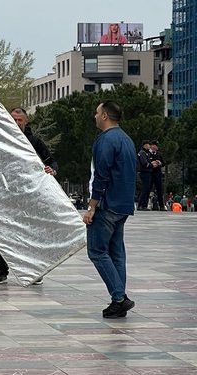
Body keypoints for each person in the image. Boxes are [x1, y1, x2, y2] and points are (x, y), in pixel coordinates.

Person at [0, 107, 58, 285]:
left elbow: (51, 161)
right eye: (13, 119)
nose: (16, 123)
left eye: (19, 120)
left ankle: (35, 270)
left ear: (25, 121)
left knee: (30, 233)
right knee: (3, 232)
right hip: (6, 195)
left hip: (29, 195)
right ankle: (2, 270)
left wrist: (53, 170)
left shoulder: (34, 142)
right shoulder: (0, 141)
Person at [83, 101, 137, 319]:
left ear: (105, 115)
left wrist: (92, 207)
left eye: (96, 113)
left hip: (107, 205)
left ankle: (119, 298)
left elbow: (101, 176)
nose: (94, 116)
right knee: (116, 253)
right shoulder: (126, 139)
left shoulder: (105, 141)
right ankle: (119, 300)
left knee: (96, 251)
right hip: (123, 205)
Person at [136, 140, 153, 211]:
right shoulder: (142, 153)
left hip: (147, 172)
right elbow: (145, 163)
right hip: (144, 172)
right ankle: (141, 205)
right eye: (148, 145)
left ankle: (144, 205)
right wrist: (152, 165)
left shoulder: (147, 153)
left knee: (147, 189)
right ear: (145, 145)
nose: (149, 146)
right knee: (144, 189)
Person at [149, 141, 165, 210]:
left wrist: (160, 163)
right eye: (154, 145)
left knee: (159, 189)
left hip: (158, 173)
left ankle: (161, 206)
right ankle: (144, 205)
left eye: (157, 146)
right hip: (150, 173)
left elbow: (163, 163)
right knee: (147, 189)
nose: (156, 147)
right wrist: (152, 163)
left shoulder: (159, 154)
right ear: (151, 146)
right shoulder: (148, 153)